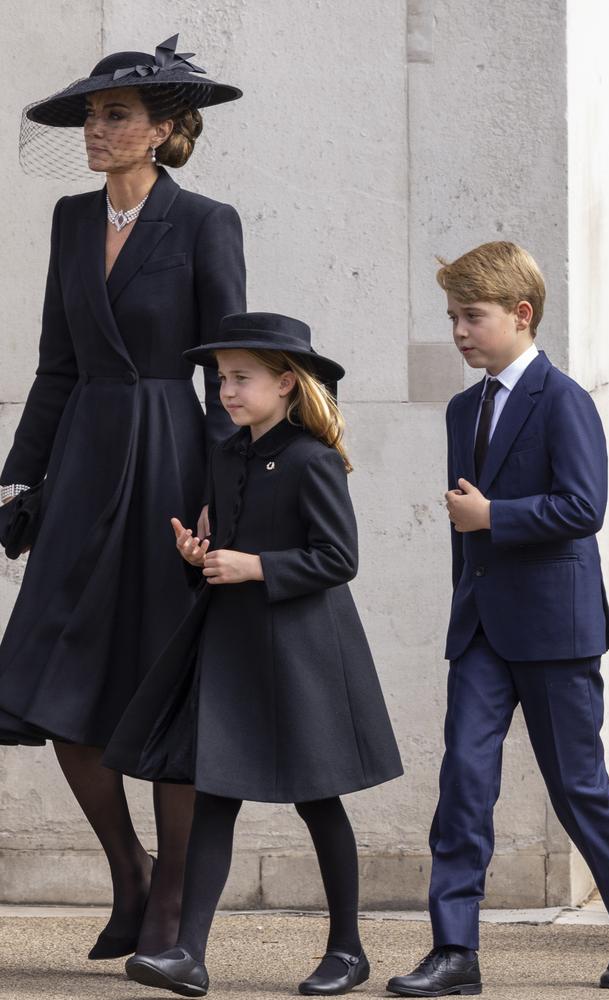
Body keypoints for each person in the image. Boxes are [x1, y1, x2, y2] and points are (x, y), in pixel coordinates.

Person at [0, 35, 246, 960]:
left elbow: (230, 370)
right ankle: (129, 871)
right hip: (81, 459)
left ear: (166, 130)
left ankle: (175, 908)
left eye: (115, 117)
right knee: (50, 683)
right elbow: (54, 365)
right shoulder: (69, 221)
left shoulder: (207, 223)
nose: (96, 131)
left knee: (161, 681)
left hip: (170, 464)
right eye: (92, 117)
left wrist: (227, 492)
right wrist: (18, 478)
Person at [103, 311, 403, 997]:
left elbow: (338, 557)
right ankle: (190, 954)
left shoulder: (313, 460)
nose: (227, 391)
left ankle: (348, 950)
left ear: (287, 385)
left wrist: (254, 567)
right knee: (215, 793)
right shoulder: (228, 454)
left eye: (241, 379)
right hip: (234, 647)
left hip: (302, 654)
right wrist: (199, 559)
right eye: (220, 379)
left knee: (317, 800)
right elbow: (224, 550)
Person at [387, 242, 609, 996]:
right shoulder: (463, 408)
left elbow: (583, 507)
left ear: (521, 314)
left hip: (554, 625)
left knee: (579, 786)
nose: (459, 331)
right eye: (452, 317)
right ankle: (455, 952)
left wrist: (492, 514)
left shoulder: (563, 398)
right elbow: (462, 532)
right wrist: (464, 587)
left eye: (472, 316)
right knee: (464, 780)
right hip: (480, 627)